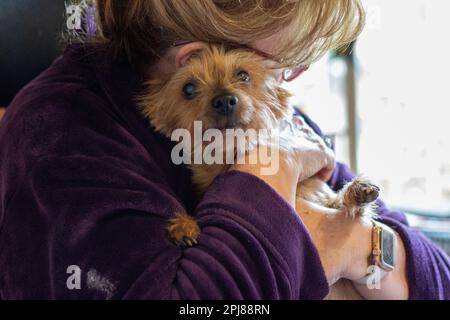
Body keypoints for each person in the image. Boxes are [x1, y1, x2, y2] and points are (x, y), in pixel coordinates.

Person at [0, 0, 449, 300]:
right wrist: (270, 171)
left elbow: (439, 279)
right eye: (288, 59)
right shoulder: (58, 140)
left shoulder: (260, 104)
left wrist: (359, 246)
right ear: (193, 56)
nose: (290, 75)